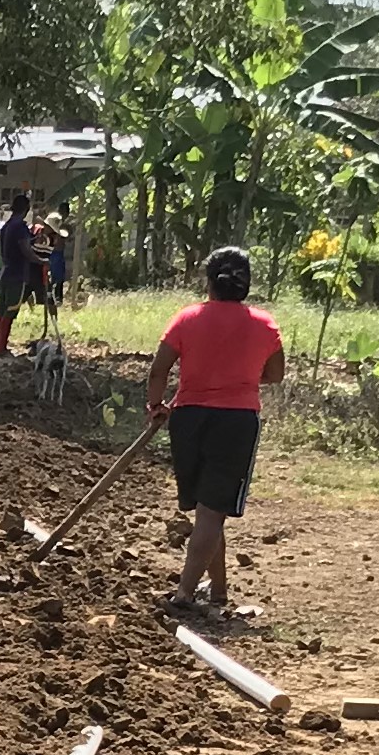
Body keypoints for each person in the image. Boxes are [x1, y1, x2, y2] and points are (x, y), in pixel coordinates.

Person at [143, 245, 285, 614]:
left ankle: (218, 591)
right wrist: (239, 377)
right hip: (236, 422)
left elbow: (158, 371)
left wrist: (156, 406)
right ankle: (185, 594)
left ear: (209, 283)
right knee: (211, 511)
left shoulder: (187, 319)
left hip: (187, 419)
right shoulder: (265, 325)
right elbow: (275, 374)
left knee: (207, 509)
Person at [0, 197, 42, 355]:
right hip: (17, 273)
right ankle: (1, 348)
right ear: (26, 209)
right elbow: (25, 249)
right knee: (10, 311)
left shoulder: (6, 226)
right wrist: (40, 260)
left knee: (1, 310)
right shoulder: (19, 226)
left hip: (6, 272)